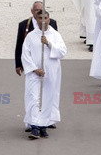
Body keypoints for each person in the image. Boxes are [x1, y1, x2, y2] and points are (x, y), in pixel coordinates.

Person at [21, 10, 67, 139]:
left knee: (47, 98)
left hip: (51, 71)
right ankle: (34, 126)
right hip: (34, 73)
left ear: (49, 19)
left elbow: (63, 51)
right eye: (39, 18)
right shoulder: (31, 36)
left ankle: (43, 125)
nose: (42, 21)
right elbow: (25, 54)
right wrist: (34, 69)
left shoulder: (55, 35)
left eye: (45, 18)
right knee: (34, 98)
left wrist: (48, 43)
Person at [15, 1, 57, 76]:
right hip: (31, 62)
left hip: (48, 62)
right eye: (36, 10)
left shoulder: (52, 23)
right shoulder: (23, 25)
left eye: (41, 10)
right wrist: (18, 64)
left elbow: (56, 42)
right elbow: (19, 45)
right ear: (32, 11)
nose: (39, 12)